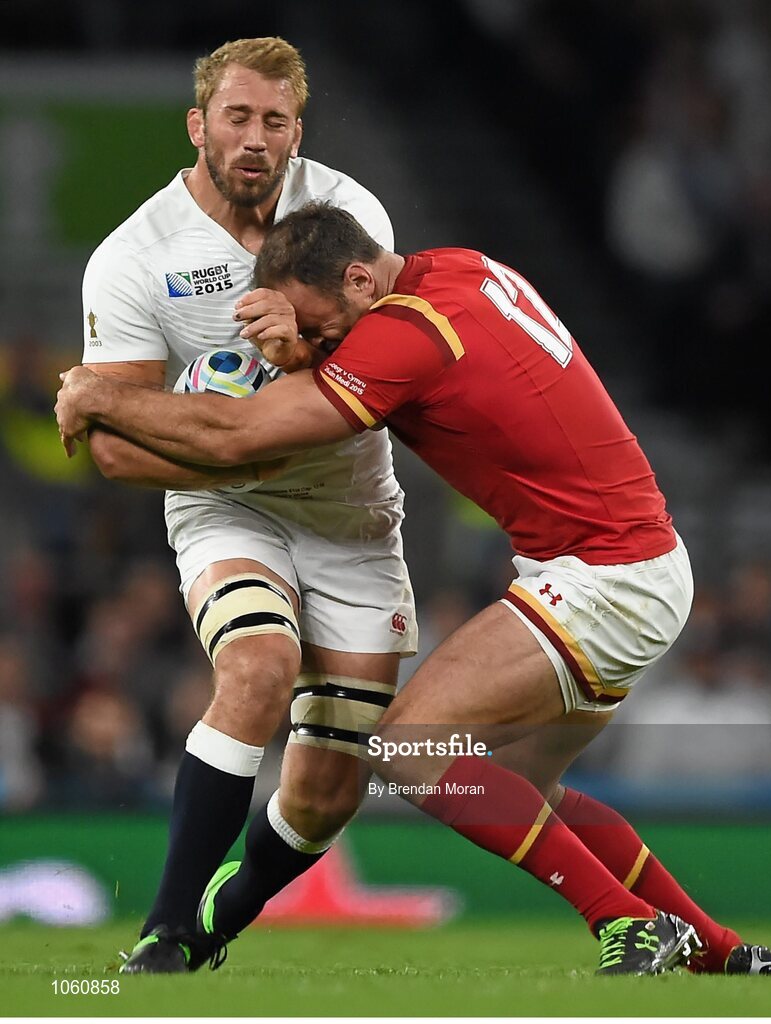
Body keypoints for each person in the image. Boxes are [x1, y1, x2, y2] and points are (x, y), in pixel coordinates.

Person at [56, 203, 771, 977]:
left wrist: (100, 395)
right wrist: (305, 338)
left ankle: (628, 922)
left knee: (409, 747)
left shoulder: (403, 336)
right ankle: (715, 951)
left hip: (604, 575)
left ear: (357, 277)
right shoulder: (458, 269)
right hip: (634, 561)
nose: (319, 345)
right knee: (519, 787)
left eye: (319, 324)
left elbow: (237, 437)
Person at [74, 42, 417, 973]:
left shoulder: (347, 215)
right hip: (228, 510)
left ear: (296, 132)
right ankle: (166, 928)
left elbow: (383, 371)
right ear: (198, 125)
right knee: (259, 666)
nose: (254, 139)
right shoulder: (134, 258)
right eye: (236, 117)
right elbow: (109, 446)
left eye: (274, 121)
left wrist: (297, 358)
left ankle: (226, 911)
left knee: (322, 795)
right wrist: (226, 451)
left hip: (352, 514)